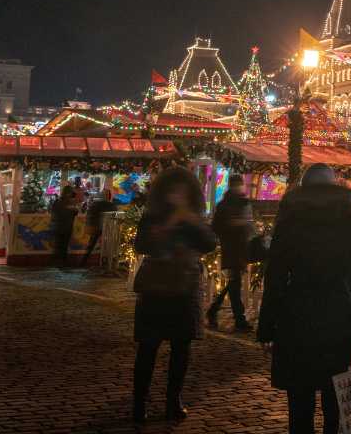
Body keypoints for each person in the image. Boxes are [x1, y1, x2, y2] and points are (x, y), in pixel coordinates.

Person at [258, 164, 351, 434]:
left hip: (296, 315)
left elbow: (274, 278)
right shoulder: (349, 222)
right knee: (336, 401)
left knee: (300, 402)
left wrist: (267, 328)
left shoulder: (290, 221)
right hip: (338, 317)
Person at [132, 167, 217, 424]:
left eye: (182, 190)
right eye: (172, 190)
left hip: (185, 286)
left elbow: (209, 243)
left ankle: (173, 400)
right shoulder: (153, 216)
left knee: (182, 348)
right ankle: (139, 402)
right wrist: (170, 224)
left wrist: (189, 219)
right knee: (148, 347)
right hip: (156, 286)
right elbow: (142, 245)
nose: (177, 194)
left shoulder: (193, 217)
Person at [207, 174, 255, 332]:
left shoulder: (243, 202)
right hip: (233, 247)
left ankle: (214, 310)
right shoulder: (225, 205)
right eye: (238, 184)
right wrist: (233, 225)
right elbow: (216, 227)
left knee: (234, 283)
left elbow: (249, 224)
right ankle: (239, 319)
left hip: (241, 247)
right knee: (235, 284)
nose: (241, 187)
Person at [80, 188, 117, 268]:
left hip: (97, 227)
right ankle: (107, 263)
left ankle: (83, 262)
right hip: (105, 227)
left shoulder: (96, 204)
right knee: (106, 246)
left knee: (91, 245)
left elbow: (89, 214)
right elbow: (114, 212)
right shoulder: (109, 205)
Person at [50, 185, 79, 267]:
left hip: (60, 226)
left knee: (59, 245)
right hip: (65, 226)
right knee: (62, 246)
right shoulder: (66, 202)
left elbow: (54, 213)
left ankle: (58, 262)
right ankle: (61, 262)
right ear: (68, 193)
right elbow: (75, 212)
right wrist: (71, 209)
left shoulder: (59, 201)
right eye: (70, 192)